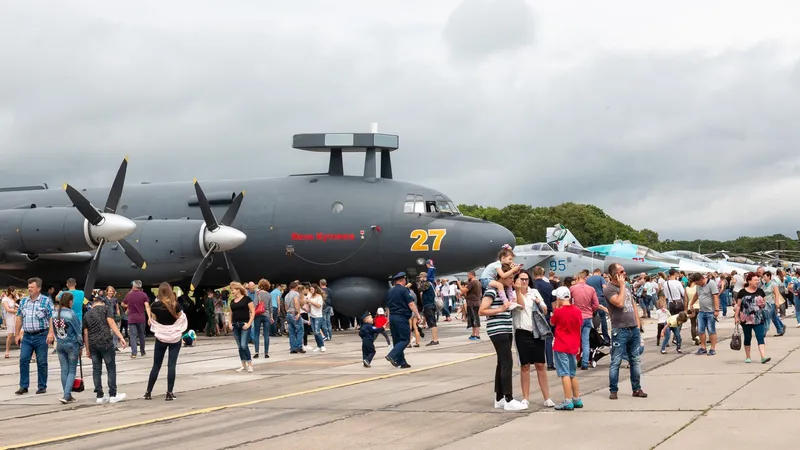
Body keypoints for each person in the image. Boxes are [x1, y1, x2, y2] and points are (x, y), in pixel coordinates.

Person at [480, 271, 526, 411]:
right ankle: (508, 398)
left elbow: (522, 305)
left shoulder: (507, 291)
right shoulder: (492, 291)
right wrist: (500, 309)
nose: (512, 280)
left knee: (502, 363)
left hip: (506, 328)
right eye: (510, 278)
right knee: (507, 363)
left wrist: (517, 290)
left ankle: (499, 397)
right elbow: (481, 310)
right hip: (498, 329)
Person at [603, 263, 647, 400]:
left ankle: (637, 388)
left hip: (632, 328)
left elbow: (632, 305)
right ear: (615, 275)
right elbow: (619, 303)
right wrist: (622, 286)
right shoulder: (609, 289)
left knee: (635, 360)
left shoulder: (627, 287)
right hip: (620, 329)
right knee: (616, 361)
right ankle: (613, 390)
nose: (625, 273)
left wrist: (638, 324)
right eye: (621, 271)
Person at [512, 271, 555, 408]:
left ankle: (547, 397)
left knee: (540, 364)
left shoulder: (534, 292)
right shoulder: (512, 294)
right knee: (525, 366)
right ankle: (525, 397)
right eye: (521, 279)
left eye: (526, 279)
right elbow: (521, 307)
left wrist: (539, 303)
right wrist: (518, 291)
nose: (524, 282)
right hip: (521, 331)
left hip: (536, 332)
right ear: (516, 280)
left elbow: (545, 310)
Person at [143, 282, 188, 401]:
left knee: (156, 365)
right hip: (174, 338)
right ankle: (169, 392)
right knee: (171, 365)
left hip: (161, 337)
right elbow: (181, 318)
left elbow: (154, 320)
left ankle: (148, 392)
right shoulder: (175, 305)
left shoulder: (155, 306)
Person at [83, 295, 127, 404]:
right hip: (105, 342)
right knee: (110, 367)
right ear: (102, 302)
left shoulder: (87, 314)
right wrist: (121, 337)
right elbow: (111, 322)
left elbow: (85, 332)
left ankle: (99, 395)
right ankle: (113, 394)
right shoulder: (106, 309)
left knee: (96, 369)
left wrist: (87, 348)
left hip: (93, 344)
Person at [15, 277, 55, 395]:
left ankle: (42, 386)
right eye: (28, 287)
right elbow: (19, 318)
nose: (29, 289)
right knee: (23, 359)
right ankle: (23, 386)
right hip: (27, 336)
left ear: (39, 288)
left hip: (41, 335)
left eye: (32, 287)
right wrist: (17, 334)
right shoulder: (24, 301)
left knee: (42, 361)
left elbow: (51, 317)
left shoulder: (46, 301)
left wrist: (51, 333)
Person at [550, 287, 583, 411]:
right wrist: (579, 344)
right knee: (572, 373)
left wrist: (555, 309)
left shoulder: (559, 311)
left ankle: (568, 400)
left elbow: (552, 322)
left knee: (564, 374)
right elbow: (579, 326)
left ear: (559, 298)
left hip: (561, 344)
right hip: (573, 344)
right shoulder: (577, 310)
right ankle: (577, 398)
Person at [385, 273, 421, 369]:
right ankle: (392, 355)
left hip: (393, 317)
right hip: (401, 317)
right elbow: (411, 304)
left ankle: (401, 362)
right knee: (405, 339)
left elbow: (388, 307)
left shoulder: (390, 291)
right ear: (403, 280)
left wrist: (388, 319)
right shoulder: (404, 290)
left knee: (397, 340)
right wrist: (418, 315)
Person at [53, 293, 83, 404]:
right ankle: (66, 395)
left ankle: (67, 394)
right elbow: (78, 332)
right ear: (70, 302)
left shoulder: (55, 314)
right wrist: (81, 345)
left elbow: (55, 331)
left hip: (60, 343)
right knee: (72, 370)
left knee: (64, 370)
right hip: (71, 344)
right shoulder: (71, 314)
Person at [734, 272, 770, 364]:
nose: (757, 282)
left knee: (760, 337)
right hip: (745, 319)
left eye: (758, 280)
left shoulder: (760, 291)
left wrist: (763, 304)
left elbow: (764, 303)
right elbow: (738, 305)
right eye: (755, 280)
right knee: (747, 337)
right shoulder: (742, 292)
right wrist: (736, 316)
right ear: (749, 281)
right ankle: (748, 356)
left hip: (758, 318)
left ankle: (763, 357)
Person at [689, 273, 720, 355]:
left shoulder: (711, 283)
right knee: (700, 330)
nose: (697, 285)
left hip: (710, 311)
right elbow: (696, 294)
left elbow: (715, 297)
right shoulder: (698, 286)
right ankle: (703, 347)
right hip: (702, 311)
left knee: (711, 330)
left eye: (697, 283)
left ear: (701, 279)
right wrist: (691, 303)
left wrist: (716, 310)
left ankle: (712, 349)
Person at [228, 282, 255, 371]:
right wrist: (230, 323)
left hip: (244, 324)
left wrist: (249, 324)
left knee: (244, 345)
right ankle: (243, 364)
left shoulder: (247, 299)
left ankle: (249, 364)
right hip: (235, 325)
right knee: (239, 346)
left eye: (233, 290)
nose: (232, 292)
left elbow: (253, 312)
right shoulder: (232, 301)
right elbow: (231, 314)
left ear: (238, 290)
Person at [123, 280, 151, 359]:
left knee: (133, 336)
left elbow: (123, 303)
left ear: (133, 286)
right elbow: (147, 306)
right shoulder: (144, 295)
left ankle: (134, 353)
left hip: (132, 318)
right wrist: (149, 317)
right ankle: (142, 352)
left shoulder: (129, 295)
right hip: (141, 318)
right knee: (142, 335)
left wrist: (127, 306)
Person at [253, 279, 273, 358]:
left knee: (256, 334)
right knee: (266, 334)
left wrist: (252, 313)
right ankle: (266, 353)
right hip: (266, 315)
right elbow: (270, 307)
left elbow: (255, 304)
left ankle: (256, 352)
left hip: (258, 315)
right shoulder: (269, 295)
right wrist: (271, 317)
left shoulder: (257, 293)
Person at [462, 271, 483, 340]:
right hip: (476, 302)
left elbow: (463, 291)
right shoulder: (478, 282)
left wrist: (459, 284)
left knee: (474, 319)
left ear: (471, 275)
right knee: (474, 318)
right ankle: (473, 334)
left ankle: (477, 335)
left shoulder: (472, 283)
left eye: (468, 275)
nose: (467, 276)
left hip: (472, 303)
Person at [3, 288, 18, 358]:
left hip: (16, 317)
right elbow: (8, 309)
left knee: (19, 333)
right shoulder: (5, 299)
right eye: (15, 291)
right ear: (11, 292)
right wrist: (18, 311)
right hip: (10, 318)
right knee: (10, 335)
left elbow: (16, 306)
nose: (15, 293)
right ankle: (7, 351)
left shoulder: (14, 299)